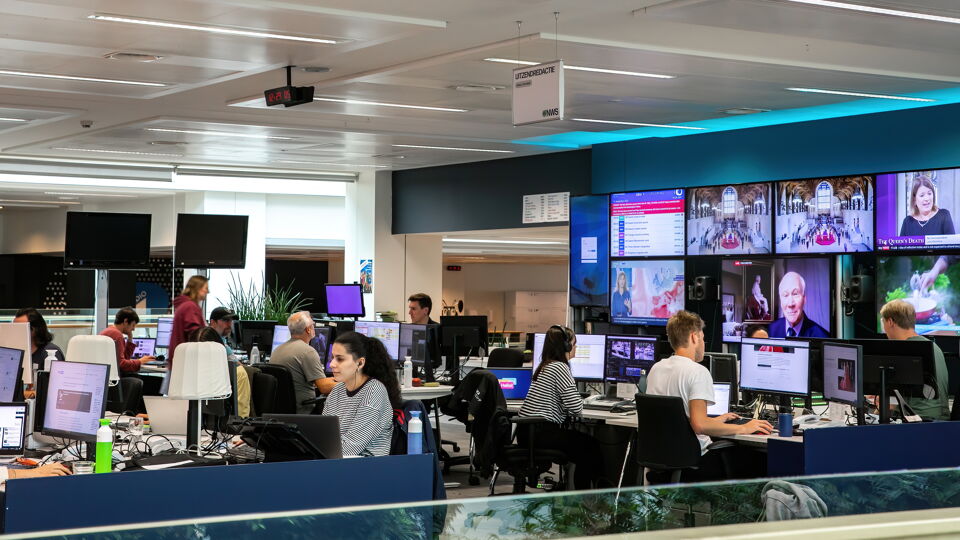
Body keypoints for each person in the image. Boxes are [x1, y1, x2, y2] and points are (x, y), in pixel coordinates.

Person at [646, 311, 772, 482]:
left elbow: (679, 421)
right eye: (703, 338)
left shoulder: (656, 368)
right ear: (694, 337)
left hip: (663, 460)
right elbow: (700, 425)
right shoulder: (697, 371)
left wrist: (716, 421)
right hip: (696, 462)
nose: (703, 344)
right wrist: (744, 427)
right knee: (760, 460)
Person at [518, 325, 605, 489]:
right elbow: (576, 407)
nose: (576, 347)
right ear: (566, 346)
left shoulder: (545, 365)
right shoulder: (560, 367)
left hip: (528, 433)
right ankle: (585, 496)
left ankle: (578, 492)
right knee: (590, 447)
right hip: (542, 433)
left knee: (584, 445)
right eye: (574, 343)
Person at [323, 331, 400, 457]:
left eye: (340, 359)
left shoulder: (374, 391)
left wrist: (318, 452)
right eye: (332, 357)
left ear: (360, 363)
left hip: (365, 463)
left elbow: (351, 447)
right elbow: (324, 434)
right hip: (337, 459)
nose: (332, 364)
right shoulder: (337, 390)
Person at [879, 299, 949, 420]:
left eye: (883, 322)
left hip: (922, 421)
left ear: (890, 322)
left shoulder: (906, 350)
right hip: (941, 419)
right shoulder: (932, 346)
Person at [270, 311, 336, 414]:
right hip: (304, 410)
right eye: (313, 325)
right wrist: (350, 382)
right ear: (308, 329)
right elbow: (324, 388)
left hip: (281, 411)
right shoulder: (308, 351)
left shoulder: (277, 350)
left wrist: (335, 379)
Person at [196, 327, 251, 418]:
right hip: (206, 424)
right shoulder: (200, 373)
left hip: (231, 425)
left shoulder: (238, 374)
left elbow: (241, 417)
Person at [768, 272, 829, 338]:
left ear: (804, 299)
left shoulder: (821, 336)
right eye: (785, 295)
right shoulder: (771, 330)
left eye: (795, 294)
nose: (790, 304)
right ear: (780, 300)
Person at [99, 307, 154, 375]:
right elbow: (122, 365)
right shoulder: (117, 335)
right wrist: (140, 361)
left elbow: (125, 358)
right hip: (114, 376)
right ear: (125, 321)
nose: (133, 329)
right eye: (133, 325)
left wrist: (130, 338)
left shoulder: (110, 331)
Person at [169, 275, 208, 364]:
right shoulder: (190, 307)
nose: (208, 291)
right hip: (186, 362)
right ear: (197, 288)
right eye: (205, 288)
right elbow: (196, 335)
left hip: (180, 360)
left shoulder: (185, 305)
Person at [13, 308, 64, 372]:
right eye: (14, 328)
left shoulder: (51, 353)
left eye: (19, 328)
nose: (15, 332)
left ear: (35, 330)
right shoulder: (17, 351)